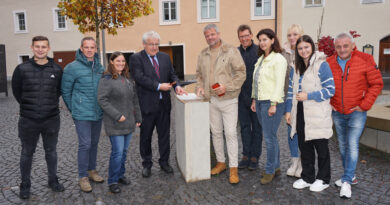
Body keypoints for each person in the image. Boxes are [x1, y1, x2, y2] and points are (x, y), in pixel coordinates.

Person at [327, 32, 383, 198]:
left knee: (351, 144)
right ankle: (350, 176)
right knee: (343, 146)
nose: (342, 49)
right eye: (338, 46)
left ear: (352, 45)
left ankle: (346, 181)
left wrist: (365, 104)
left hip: (357, 112)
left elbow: (377, 83)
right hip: (338, 111)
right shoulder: (329, 62)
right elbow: (325, 85)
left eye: (345, 46)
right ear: (335, 47)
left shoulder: (365, 59)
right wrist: (330, 103)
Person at [12, 36, 65, 199]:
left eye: (43, 47)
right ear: (32, 48)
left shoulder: (56, 69)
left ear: (48, 48)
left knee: (51, 151)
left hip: (51, 119)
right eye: (37, 46)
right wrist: (30, 106)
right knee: (27, 152)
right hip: (28, 119)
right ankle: (25, 184)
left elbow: (58, 92)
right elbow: (17, 91)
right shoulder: (21, 69)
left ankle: (52, 179)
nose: (40, 49)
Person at [130, 31, 186, 178]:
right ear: (144, 44)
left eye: (156, 44)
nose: (154, 47)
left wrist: (177, 86)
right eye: (151, 44)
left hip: (164, 105)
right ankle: (147, 164)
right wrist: (158, 86)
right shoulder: (136, 58)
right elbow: (139, 78)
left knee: (164, 135)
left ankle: (164, 162)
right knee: (146, 137)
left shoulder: (165, 57)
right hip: (146, 106)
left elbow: (172, 74)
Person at [196, 23, 246, 184]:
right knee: (216, 132)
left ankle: (233, 168)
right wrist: (199, 87)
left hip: (229, 99)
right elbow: (199, 75)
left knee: (230, 133)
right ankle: (221, 162)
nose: (210, 37)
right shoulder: (203, 54)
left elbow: (241, 73)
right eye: (207, 35)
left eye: (212, 34)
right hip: (211, 100)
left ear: (218, 34)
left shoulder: (231, 50)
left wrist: (228, 86)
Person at [285, 35, 335, 192]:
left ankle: (323, 178)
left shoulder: (322, 65)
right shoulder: (296, 67)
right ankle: (308, 177)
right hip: (300, 110)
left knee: (321, 147)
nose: (303, 51)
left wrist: (309, 95)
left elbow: (330, 90)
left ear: (312, 47)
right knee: (304, 146)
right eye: (300, 48)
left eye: (306, 47)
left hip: (317, 111)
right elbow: (291, 92)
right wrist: (288, 110)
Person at [61, 37, 105, 192]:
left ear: (95, 49)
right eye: (86, 47)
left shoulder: (99, 66)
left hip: (97, 112)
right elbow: (65, 91)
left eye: (92, 47)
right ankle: (82, 176)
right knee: (85, 144)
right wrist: (74, 109)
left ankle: (92, 170)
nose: (89, 50)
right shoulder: (71, 67)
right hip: (81, 113)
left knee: (93, 143)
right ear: (81, 48)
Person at [98, 52, 142, 193]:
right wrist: (117, 115)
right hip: (115, 123)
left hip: (128, 122)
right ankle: (112, 181)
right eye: (118, 61)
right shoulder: (106, 79)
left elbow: (134, 99)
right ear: (111, 62)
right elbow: (102, 100)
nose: (121, 63)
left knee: (123, 152)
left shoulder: (127, 78)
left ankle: (121, 175)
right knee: (117, 152)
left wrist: (138, 117)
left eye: (123, 61)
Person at [250, 28, 287, 185]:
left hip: (271, 103)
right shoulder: (261, 59)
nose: (262, 42)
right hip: (259, 101)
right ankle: (277, 166)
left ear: (273, 40)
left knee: (269, 138)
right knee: (271, 136)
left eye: (265, 39)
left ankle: (270, 170)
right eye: (260, 40)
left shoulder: (278, 59)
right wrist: (253, 100)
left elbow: (279, 84)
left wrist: (274, 104)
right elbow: (256, 82)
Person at [236, 24, 263, 170]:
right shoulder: (236, 52)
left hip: (256, 97)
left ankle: (255, 156)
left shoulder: (259, 50)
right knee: (245, 127)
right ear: (239, 38)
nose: (244, 38)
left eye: (246, 35)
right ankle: (246, 155)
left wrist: (256, 97)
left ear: (251, 35)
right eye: (241, 36)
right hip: (241, 97)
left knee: (257, 128)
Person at [282, 24, 304, 178]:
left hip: (304, 100)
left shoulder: (305, 51)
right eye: (289, 35)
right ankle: (294, 161)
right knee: (291, 131)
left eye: (295, 34)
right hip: (288, 98)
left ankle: (303, 162)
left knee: (303, 131)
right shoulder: (283, 54)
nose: (292, 38)